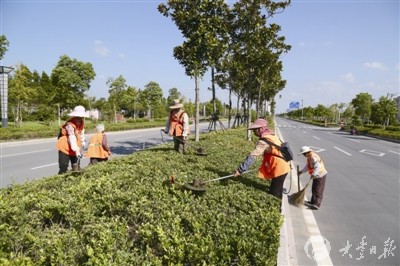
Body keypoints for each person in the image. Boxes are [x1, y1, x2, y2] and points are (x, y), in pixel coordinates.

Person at [233, 118, 291, 200]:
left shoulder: (264, 141)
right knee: (276, 189)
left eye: (254, 130)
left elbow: (253, 155)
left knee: (274, 194)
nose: (253, 132)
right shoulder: (271, 136)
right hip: (282, 166)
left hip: (280, 168)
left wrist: (240, 170)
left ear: (260, 129)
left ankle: (278, 206)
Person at [56, 105, 89, 174]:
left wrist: (83, 143)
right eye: (78, 117)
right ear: (75, 116)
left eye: (81, 117)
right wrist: (76, 150)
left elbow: (81, 133)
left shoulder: (81, 123)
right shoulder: (70, 125)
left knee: (76, 166)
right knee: (63, 167)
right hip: (65, 147)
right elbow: (72, 138)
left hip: (75, 147)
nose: (80, 119)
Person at [297, 146, 328, 210]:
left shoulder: (313, 157)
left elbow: (317, 166)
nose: (303, 155)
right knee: (314, 189)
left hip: (320, 175)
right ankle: (313, 202)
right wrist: (301, 172)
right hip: (316, 175)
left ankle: (316, 204)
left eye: (303, 154)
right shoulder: (309, 157)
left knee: (318, 190)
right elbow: (307, 166)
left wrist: (313, 174)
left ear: (307, 152)